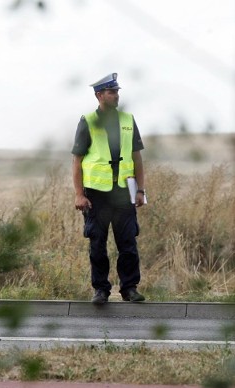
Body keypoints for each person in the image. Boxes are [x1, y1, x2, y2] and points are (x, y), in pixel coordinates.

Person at [72, 73, 147, 305]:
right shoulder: (87, 121)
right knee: (97, 244)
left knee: (128, 244)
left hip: (124, 192)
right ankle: (101, 289)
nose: (116, 96)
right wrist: (79, 194)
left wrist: (141, 190)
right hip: (97, 194)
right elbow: (77, 160)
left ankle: (129, 288)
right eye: (112, 92)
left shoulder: (128, 119)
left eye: (117, 92)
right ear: (99, 95)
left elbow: (137, 158)